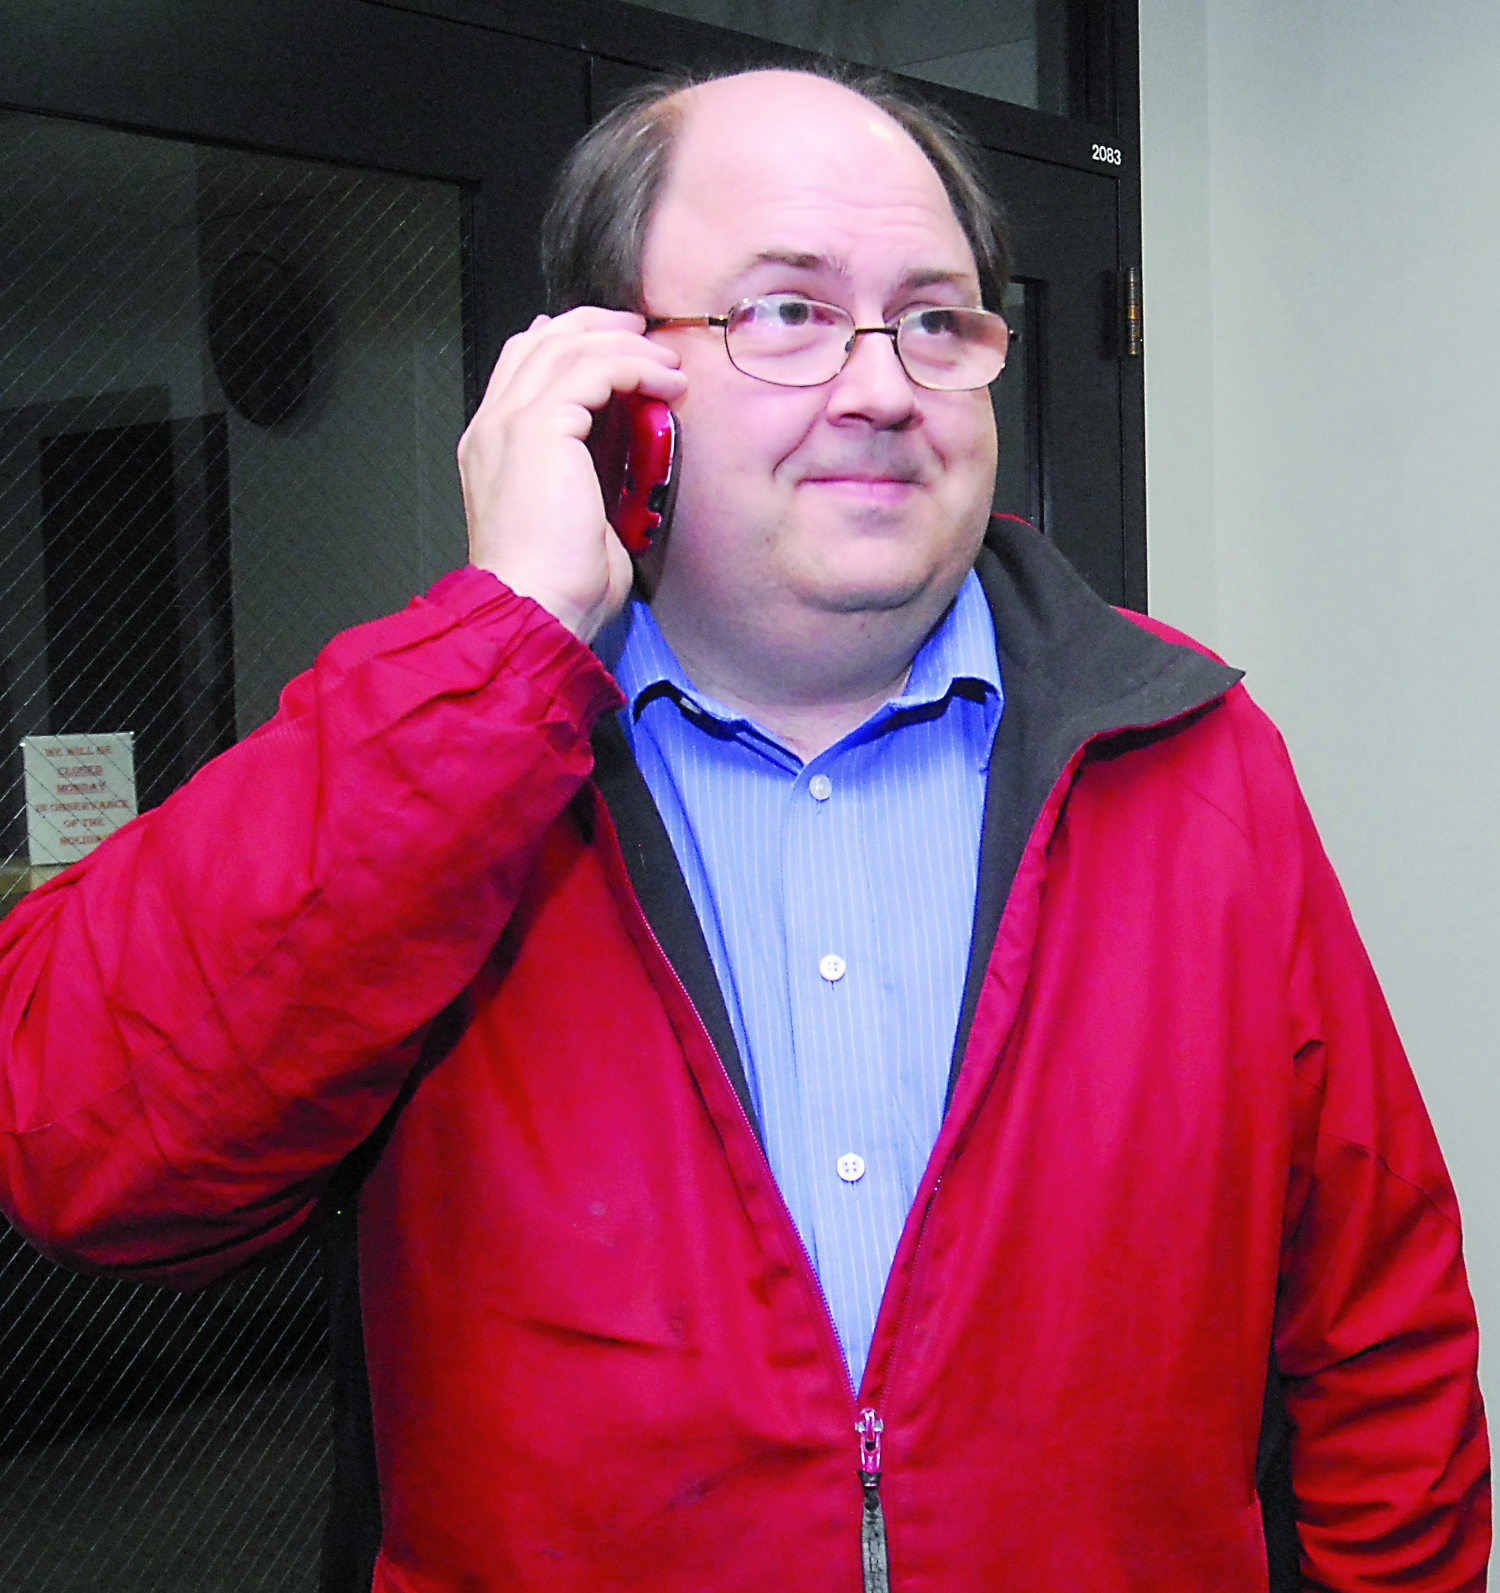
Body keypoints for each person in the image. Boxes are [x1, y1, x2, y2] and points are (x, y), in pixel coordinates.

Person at [0, 66, 1488, 1593]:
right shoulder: (432, 769)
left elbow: (1378, 1327)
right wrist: (504, 643)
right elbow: (89, 1155)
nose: (882, 386)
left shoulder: (1193, 756)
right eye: (784, 312)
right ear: (610, 385)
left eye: (935, 317)